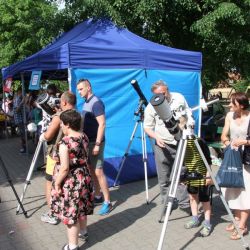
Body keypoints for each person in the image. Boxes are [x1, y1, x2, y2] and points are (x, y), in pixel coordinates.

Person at [143, 80, 192, 210]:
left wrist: (189, 123)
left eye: (164, 93)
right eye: (158, 95)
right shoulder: (151, 107)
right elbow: (147, 127)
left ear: (168, 89)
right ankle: (166, 204)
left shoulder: (179, 98)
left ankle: (185, 203)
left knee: (181, 174)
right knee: (164, 177)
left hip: (181, 141)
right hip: (162, 144)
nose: (162, 97)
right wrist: (156, 138)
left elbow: (188, 112)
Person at [50, 110, 94, 250]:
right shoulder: (84, 136)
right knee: (80, 207)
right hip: (84, 176)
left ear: (67, 124)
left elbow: (64, 168)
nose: (61, 126)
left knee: (71, 214)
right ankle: (83, 231)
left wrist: (57, 183)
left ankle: (73, 246)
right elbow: (82, 155)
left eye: (62, 123)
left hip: (71, 181)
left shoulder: (65, 142)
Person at [77, 79, 112, 216]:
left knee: (98, 172)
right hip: (89, 142)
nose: (79, 92)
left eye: (81, 89)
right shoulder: (87, 102)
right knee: (92, 171)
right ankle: (97, 196)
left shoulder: (96, 103)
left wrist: (97, 144)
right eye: (78, 89)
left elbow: (102, 124)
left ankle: (107, 202)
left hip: (95, 143)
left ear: (88, 88)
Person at [40, 91, 76, 225]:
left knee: (50, 183)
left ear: (65, 102)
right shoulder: (77, 115)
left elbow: (48, 136)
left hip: (55, 155)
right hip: (71, 154)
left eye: (60, 100)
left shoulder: (58, 117)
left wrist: (43, 135)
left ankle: (53, 213)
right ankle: (67, 208)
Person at [221, 92, 250, 240]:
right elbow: (224, 136)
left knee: (245, 191)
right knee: (234, 189)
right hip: (233, 156)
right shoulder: (229, 116)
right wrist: (228, 145)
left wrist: (244, 142)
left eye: (233, 103)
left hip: (247, 160)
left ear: (242, 105)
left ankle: (242, 225)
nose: (229, 105)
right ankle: (238, 218)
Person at [183, 138, 213, 237]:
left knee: (204, 199)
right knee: (192, 197)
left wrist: (209, 175)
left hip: (203, 174)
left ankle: (207, 223)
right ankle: (195, 219)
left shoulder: (199, 141)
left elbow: (208, 158)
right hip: (190, 174)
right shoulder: (182, 141)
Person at [13, 88, 26, 153]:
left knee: (23, 134)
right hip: (20, 120)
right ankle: (23, 148)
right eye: (22, 92)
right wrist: (22, 102)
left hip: (19, 119)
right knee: (22, 134)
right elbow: (17, 110)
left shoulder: (17, 99)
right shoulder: (17, 99)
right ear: (20, 92)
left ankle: (24, 148)